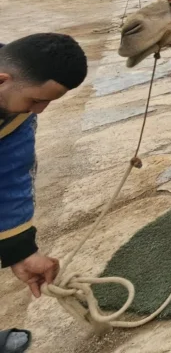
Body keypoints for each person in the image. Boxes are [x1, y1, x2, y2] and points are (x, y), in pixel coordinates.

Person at [1, 34, 88, 349]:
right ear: (2, 81)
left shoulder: (15, 115)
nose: (40, 111)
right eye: (36, 100)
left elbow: (11, 174)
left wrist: (20, 251)